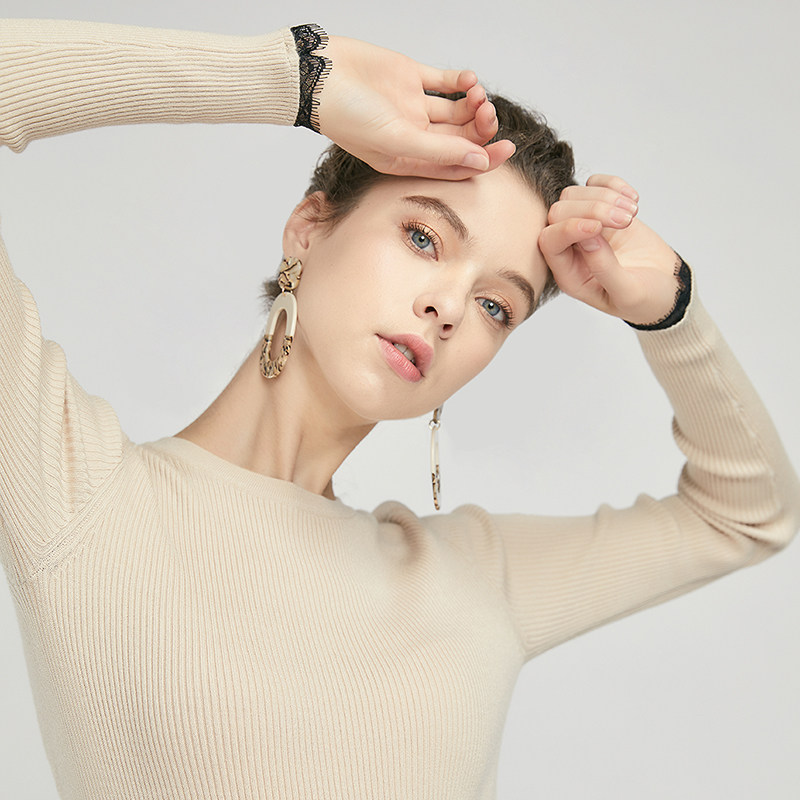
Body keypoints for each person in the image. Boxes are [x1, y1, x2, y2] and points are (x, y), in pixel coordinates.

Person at [0, 18, 797, 800]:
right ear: (310, 227)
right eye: (423, 237)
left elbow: (748, 513)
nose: (449, 307)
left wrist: (670, 312)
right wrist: (298, 80)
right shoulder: (76, 493)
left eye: (496, 306)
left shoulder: (471, 576)